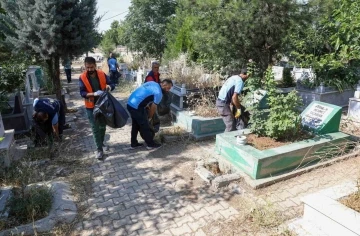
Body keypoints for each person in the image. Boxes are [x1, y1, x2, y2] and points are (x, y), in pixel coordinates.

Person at [79, 57, 115, 159]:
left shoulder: (101, 74)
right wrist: (93, 93)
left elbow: (112, 84)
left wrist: (109, 87)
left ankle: (101, 143)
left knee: (102, 126)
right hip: (90, 106)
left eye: (91, 67)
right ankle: (99, 150)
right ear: (85, 66)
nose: (90, 69)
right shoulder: (82, 77)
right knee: (95, 127)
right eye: (87, 67)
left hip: (103, 105)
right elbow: (82, 93)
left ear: (95, 65)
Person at [127, 79, 173, 150]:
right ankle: (150, 144)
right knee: (145, 125)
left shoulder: (153, 83)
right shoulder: (158, 93)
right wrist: (150, 117)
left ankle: (134, 143)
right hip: (136, 107)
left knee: (135, 125)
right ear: (164, 85)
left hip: (130, 103)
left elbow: (145, 93)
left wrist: (146, 105)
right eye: (168, 88)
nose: (168, 90)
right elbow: (153, 108)